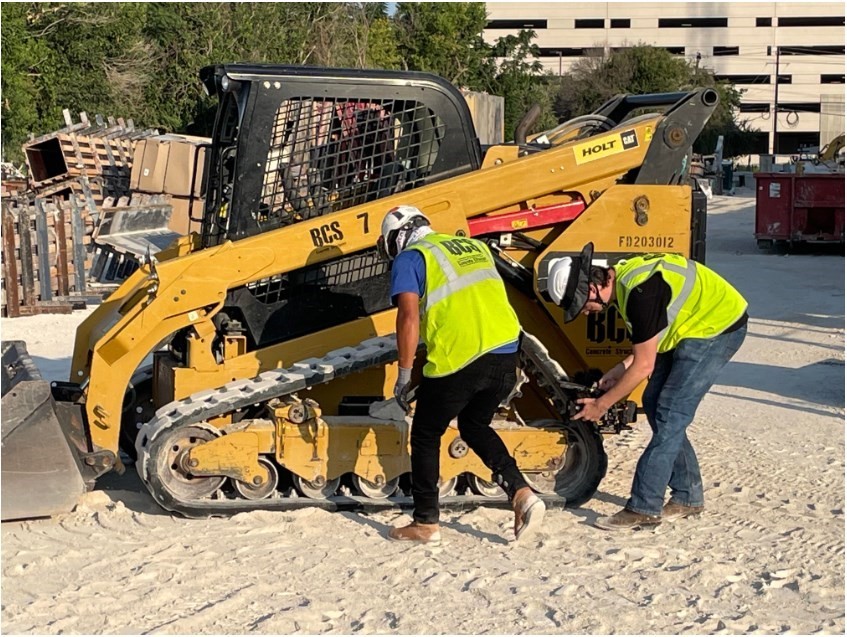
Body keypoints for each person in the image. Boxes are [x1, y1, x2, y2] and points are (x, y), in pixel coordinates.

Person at [546, 243, 748, 531]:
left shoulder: (640, 292)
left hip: (717, 328)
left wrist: (602, 405)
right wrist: (619, 370)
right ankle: (688, 497)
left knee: (671, 413)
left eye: (582, 306)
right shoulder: (626, 279)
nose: (586, 313)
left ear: (592, 288)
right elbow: (647, 343)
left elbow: (644, 366)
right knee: (654, 402)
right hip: (692, 326)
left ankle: (644, 507)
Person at [378, 205, 545, 544]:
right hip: (505, 353)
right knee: (474, 424)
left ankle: (425, 523)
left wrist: (404, 375)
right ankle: (522, 494)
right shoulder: (474, 246)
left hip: (460, 356)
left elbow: (408, 318)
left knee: (426, 433)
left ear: (397, 238)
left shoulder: (411, 258)